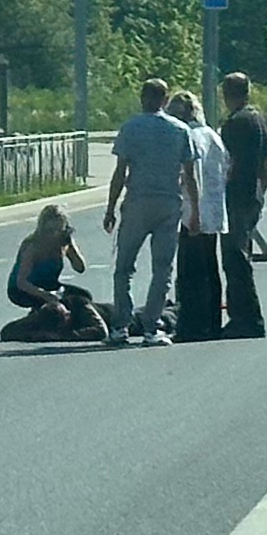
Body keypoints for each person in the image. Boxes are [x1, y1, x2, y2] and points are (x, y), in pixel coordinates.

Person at [103, 78, 200, 346]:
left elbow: (120, 173)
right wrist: (195, 213)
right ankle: (151, 328)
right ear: (165, 100)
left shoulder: (130, 128)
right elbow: (189, 176)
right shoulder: (180, 130)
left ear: (141, 98)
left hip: (137, 203)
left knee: (124, 266)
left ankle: (121, 326)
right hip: (169, 205)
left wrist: (110, 209)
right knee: (162, 268)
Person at [166, 91, 229, 342]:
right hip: (214, 211)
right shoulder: (212, 135)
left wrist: (191, 212)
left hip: (191, 212)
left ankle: (191, 325)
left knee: (189, 271)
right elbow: (226, 167)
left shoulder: (186, 137)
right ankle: (213, 322)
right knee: (210, 268)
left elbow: (189, 177)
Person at [219, 71, 267, 338]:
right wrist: (260, 193)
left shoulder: (234, 124)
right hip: (253, 195)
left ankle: (246, 318)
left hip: (235, 197)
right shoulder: (261, 120)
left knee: (235, 259)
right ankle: (245, 317)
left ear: (226, 94)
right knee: (243, 255)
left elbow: (229, 165)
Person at [1, 205, 106, 343]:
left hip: (49, 284)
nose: (54, 235)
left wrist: (70, 248)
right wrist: (45, 295)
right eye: (50, 231)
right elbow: (22, 282)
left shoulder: (64, 242)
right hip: (22, 288)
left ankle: (69, 322)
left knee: (83, 296)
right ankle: (36, 323)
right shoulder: (33, 246)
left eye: (58, 230)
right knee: (51, 303)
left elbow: (80, 268)